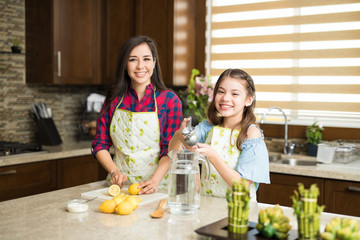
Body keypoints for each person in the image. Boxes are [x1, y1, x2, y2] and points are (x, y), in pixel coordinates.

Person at [92, 36, 183, 194]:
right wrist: (114, 172)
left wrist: (154, 181)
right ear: (125, 64)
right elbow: (100, 144)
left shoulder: (169, 100)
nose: (140, 66)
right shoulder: (114, 99)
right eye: (133, 59)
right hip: (119, 188)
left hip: (158, 187)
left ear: (154, 63)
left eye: (146, 59)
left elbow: (170, 149)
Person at [169, 68, 270, 201]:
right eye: (221, 91)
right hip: (209, 205)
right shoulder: (208, 127)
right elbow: (174, 152)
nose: (225, 98)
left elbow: (243, 186)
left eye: (235, 94)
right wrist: (179, 135)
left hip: (239, 210)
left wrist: (212, 156)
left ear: (249, 100)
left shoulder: (251, 134)